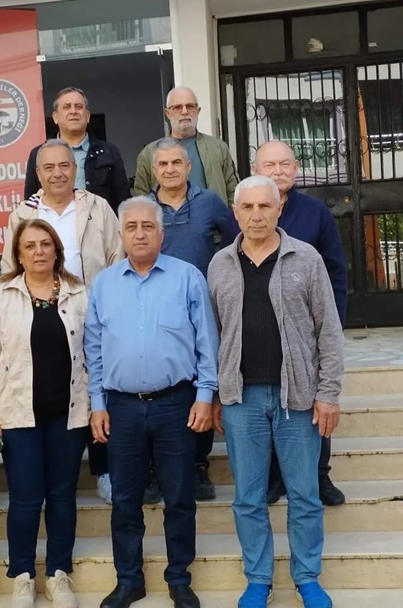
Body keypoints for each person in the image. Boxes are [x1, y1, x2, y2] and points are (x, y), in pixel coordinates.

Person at [208, 176, 344, 608]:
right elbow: (213, 336)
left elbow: (329, 331)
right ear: (235, 213)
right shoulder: (219, 265)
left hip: (297, 399)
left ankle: (307, 578)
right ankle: (258, 580)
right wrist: (214, 394)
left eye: (264, 206)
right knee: (248, 498)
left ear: (279, 209)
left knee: (304, 495)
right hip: (241, 399)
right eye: (247, 207)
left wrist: (328, 393)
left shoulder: (306, 258)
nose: (256, 215)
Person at [85, 197, 220, 608]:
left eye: (148, 226)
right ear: (121, 235)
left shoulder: (187, 277)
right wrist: (97, 403)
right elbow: (94, 349)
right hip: (122, 408)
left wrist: (205, 396)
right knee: (125, 499)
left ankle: (179, 578)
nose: (140, 234)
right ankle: (129, 580)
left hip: (176, 404)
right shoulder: (104, 284)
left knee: (179, 497)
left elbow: (207, 341)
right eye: (132, 227)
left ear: (161, 233)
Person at [221, 141, 348, 507]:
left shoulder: (315, 213)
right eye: (269, 164)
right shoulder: (243, 213)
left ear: (296, 168)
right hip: (256, 352)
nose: (278, 171)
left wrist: (331, 326)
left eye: (284, 164)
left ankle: (319, 475)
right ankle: (275, 478)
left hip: (305, 334)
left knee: (312, 411)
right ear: (255, 170)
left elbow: (335, 271)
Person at [4, 139, 124, 506]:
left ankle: (104, 470)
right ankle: (50, 478)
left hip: (93, 314)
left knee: (97, 389)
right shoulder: (22, 214)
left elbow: (116, 259)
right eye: (49, 167)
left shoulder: (98, 208)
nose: (57, 173)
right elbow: (10, 267)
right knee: (56, 392)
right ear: (38, 174)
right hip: (43, 317)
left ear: (75, 169)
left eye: (64, 165)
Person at [0, 219, 89, 608]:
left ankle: (58, 573)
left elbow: (93, 351)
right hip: (17, 415)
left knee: (62, 496)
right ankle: (23, 575)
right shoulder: (0, 294)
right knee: (25, 498)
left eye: (45, 244)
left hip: (69, 414)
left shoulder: (79, 292)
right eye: (30, 246)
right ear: (18, 254)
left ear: (57, 249)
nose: (39, 251)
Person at [147, 137, 231, 502]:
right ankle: (154, 469)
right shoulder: (143, 208)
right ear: (154, 170)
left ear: (188, 167)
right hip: (155, 312)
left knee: (201, 382)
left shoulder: (209, 202)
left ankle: (198, 465)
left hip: (202, 309)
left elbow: (235, 240)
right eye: (163, 164)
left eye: (176, 163)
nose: (170, 169)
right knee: (160, 387)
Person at [23, 87, 131, 213]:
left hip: (98, 224)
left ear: (88, 116)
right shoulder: (38, 154)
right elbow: (31, 202)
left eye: (79, 107)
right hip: (53, 223)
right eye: (67, 107)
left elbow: (122, 202)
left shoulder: (109, 152)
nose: (73, 111)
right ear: (55, 117)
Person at [134, 87, 238, 206]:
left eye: (190, 106)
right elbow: (141, 199)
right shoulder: (149, 153)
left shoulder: (218, 148)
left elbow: (234, 193)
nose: (184, 112)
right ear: (167, 113)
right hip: (168, 217)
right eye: (177, 107)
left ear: (198, 111)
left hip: (213, 217)